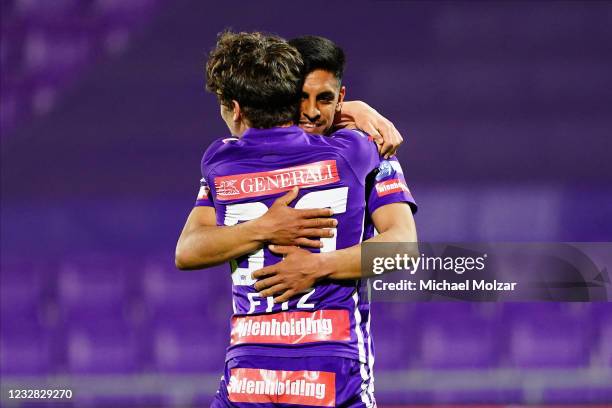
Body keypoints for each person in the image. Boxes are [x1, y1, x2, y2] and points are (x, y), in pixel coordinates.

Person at [175, 31, 417, 407]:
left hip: (262, 376)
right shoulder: (365, 148)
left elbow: (402, 249)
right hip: (305, 373)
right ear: (283, 97)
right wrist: (264, 228)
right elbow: (187, 251)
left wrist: (318, 266)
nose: (311, 112)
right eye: (300, 98)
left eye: (324, 99)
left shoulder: (222, 160)